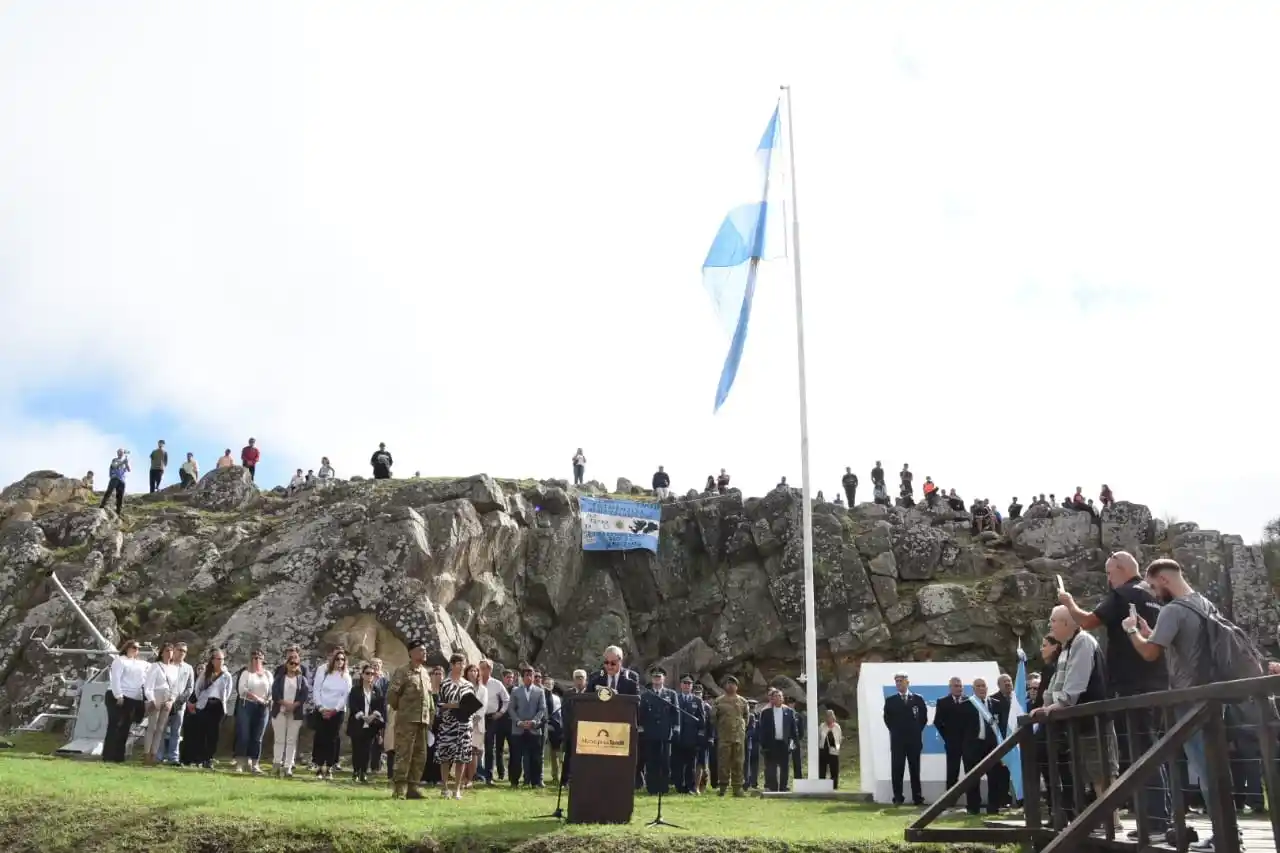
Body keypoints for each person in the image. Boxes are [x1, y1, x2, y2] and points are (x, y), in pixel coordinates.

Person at [1058, 550, 1170, 839]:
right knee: (1153, 750)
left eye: (1109, 573)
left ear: (1121, 569)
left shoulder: (1123, 594)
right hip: (1158, 682)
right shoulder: (1153, 594)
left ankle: (1157, 823)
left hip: (1131, 685)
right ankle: (1160, 816)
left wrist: (1069, 603)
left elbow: (1087, 621)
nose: (1108, 579)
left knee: (1141, 753)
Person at [1032, 605, 1121, 834]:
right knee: (1089, 772)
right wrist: (1045, 705)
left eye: (1053, 620)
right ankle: (1104, 820)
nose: (1050, 625)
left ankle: (1112, 821)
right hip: (1078, 721)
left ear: (1066, 623)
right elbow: (1056, 683)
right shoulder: (1066, 648)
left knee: (1101, 771)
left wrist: (1059, 704)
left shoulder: (1083, 642)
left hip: (1094, 718)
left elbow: (1076, 683)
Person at [387, 641, 434, 799]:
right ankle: (399, 788)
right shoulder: (402, 671)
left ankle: (413, 787)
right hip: (407, 720)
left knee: (420, 755)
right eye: (421, 650)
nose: (424, 653)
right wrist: (403, 711)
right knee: (404, 753)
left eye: (425, 650)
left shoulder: (425, 673)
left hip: (423, 720)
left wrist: (430, 716)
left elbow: (430, 697)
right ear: (412, 653)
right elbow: (392, 696)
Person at [883, 672, 928, 806]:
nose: (898, 683)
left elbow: (923, 718)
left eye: (901, 681)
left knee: (915, 769)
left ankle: (917, 797)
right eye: (896, 681)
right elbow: (887, 719)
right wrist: (896, 731)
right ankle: (898, 797)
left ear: (907, 682)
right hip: (898, 741)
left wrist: (915, 730)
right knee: (897, 769)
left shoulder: (917, 699)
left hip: (914, 740)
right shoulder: (891, 701)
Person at [103, 639, 148, 763]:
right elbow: (116, 679)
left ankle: (118, 756)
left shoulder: (141, 663)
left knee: (125, 727)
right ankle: (108, 755)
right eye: (133, 647)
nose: (135, 650)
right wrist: (118, 695)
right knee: (115, 725)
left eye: (138, 648)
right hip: (117, 696)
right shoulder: (120, 660)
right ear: (127, 648)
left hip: (132, 698)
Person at [187, 649, 232, 769]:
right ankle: (198, 758)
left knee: (214, 734)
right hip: (204, 704)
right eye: (218, 659)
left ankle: (209, 758)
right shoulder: (206, 673)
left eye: (222, 659)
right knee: (201, 732)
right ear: (212, 660)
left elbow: (228, 691)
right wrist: (198, 701)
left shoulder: (226, 675)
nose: (220, 661)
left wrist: (222, 702)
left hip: (218, 706)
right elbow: (198, 688)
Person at [311, 648, 352, 780]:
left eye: (342, 659)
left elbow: (345, 695)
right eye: (337, 659)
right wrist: (321, 708)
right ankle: (318, 766)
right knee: (320, 738)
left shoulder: (346, 676)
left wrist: (334, 710)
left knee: (332, 739)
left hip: (337, 712)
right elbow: (317, 689)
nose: (339, 662)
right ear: (332, 660)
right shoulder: (323, 671)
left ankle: (328, 767)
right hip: (322, 710)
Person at [270, 648, 310, 778]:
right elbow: (275, 693)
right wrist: (285, 704)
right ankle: (276, 764)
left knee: (291, 740)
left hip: (295, 713)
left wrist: (294, 705)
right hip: (280, 711)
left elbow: (304, 695)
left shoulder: (302, 679)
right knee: (279, 739)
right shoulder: (280, 678)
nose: (293, 666)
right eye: (291, 663)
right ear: (286, 664)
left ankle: (287, 766)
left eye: (296, 664)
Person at [640, 667, 679, 795]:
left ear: (664, 679)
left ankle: (663, 787)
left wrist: (676, 727)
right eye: (655, 677)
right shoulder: (645, 695)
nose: (657, 679)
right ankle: (652, 787)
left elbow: (675, 712)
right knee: (651, 761)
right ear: (652, 679)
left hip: (665, 732)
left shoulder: (671, 694)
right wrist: (641, 727)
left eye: (659, 677)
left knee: (665, 761)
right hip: (650, 732)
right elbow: (641, 714)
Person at [154, 642, 195, 765]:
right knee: (160, 730)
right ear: (174, 650)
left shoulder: (188, 668)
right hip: (164, 702)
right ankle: (158, 756)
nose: (182, 653)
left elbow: (190, 687)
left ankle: (173, 757)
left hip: (179, 704)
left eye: (184, 651)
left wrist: (180, 701)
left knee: (175, 732)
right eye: (179, 650)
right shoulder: (165, 665)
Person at [232, 650, 272, 774]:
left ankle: (255, 764)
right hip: (247, 705)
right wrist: (257, 698)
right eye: (254, 658)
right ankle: (240, 763)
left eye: (259, 658)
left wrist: (268, 699)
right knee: (244, 735)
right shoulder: (246, 673)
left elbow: (272, 690)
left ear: (263, 660)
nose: (256, 660)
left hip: (263, 707)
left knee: (257, 737)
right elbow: (241, 690)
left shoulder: (268, 674)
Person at [509, 665, 547, 787]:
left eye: (531, 675)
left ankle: (535, 782)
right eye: (527, 675)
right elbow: (511, 709)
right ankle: (514, 781)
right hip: (518, 729)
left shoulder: (540, 691)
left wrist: (535, 721)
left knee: (535, 757)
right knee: (516, 756)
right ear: (522, 677)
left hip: (534, 729)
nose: (529, 677)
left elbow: (542, 709)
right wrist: (518, 722)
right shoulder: (515, 691)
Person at [347, 663, 386, 783]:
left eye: (372, 674)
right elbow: (353, 705)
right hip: (357, 723)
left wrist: (373, 716)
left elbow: (380, 705)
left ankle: (363, 772)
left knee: (367, 750)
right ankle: (355, 771)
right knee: (357, 749)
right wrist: (363, 717)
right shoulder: (355, 690)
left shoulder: (377, 690)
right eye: (367, 673)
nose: (370, 676)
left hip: (371, 725)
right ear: (362, 675)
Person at [712, 675, 749, 796]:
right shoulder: (718, 701)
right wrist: (721, 728)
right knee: (723, 762)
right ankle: (723, 787)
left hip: (738, 736)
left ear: (737, 686)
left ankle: (737, 787)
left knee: (738, 762)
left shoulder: (743, 701)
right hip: (724, 736)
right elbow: (713, 718)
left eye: (733, 683)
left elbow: (746, 718)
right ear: (724, 686)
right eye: (728, 683)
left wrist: (741, 728)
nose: (730, 685)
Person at [139, 643, 174, 764]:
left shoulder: (174, 668)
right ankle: (146, 754)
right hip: (156, 695)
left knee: (160, 728)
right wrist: (152, 700)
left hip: (167, 697)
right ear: (162, 653)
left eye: (171, 651)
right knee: (152, 727)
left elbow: (175, 687)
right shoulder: (155, 666)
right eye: (167, 651)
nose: (169, 653)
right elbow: (148, 685)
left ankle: (154, 754)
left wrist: (171, 700)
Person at [759, 688, 798, 792]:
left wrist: (794, 742)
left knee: (784, 766)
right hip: (771, 743)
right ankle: (773, 787)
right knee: (771, 766)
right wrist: (763, 745)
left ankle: (783, 786)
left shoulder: (789, 712)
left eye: (780, 696)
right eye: (775, 696)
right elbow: (762, 730)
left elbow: (793, 729)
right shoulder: (766, 713)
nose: (778, 698)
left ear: (783, 699)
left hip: (784, 743)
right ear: (772, 699)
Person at [933, 677, 969, 789]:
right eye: (956, 686)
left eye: (960, 686)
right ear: (950, 688)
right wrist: (947, 737)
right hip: (952, 743)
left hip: (968, 743)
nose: (958, 688)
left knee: (971, 770)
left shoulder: (969, 701)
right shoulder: (942, 702)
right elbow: (937, 722)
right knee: (952, 770)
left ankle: (972, 799)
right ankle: (950, 799)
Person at [672, 674, 704, 794]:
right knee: (677, 763)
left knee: (691, 764)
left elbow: (702, 720)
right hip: (678, 737)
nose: (686, 685)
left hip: (691, 738)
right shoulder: (676, 698)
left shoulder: (697, 700)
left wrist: (700, 736)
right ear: (681, 685)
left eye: (689, 683)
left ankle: (690, 787)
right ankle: (679, 786)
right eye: (684, 683)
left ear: (692, 686)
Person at [463, 663, 488, 789]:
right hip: (463, 722)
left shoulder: (483, 689)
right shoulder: (463, 686)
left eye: (475, 671)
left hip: (477, 725)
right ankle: (462, 777)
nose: (473, 673)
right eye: (470, 671)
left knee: (473, 752)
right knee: (463, 751)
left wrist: (473, 722)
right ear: (466, 673)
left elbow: (482, 708)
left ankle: (470, 778)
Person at [818, 708, 843, 788]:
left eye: (830, 716)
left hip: (833, 750)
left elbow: (839, 738)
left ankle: (834, 786)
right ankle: (821, 786)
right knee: (822, 769)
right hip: (823, 750)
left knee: (834, 769)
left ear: (833, 717)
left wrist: (836, 747)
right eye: (827, 716)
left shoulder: (837, 727)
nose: (828, 718)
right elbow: (818, 737)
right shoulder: (822, 726)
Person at [100, 449, 130, 514]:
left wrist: (126, 463)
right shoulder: (114, 460)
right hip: (115, 478)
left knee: (120, 496)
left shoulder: (124, 461)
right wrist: (123, 462)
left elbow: (129, 469)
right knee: (109, 491)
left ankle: (118, 511)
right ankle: (102, 505)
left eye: (121, 452)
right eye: (119, 452)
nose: (120, 453)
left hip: (122, 480)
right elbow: (115, 466)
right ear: (117, 453)